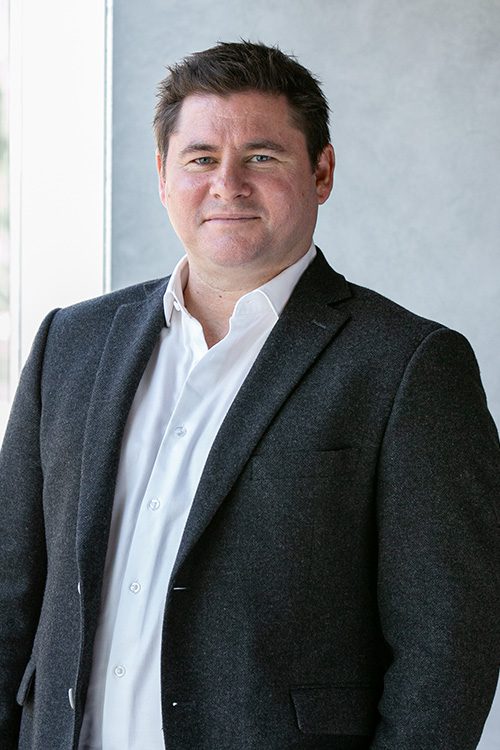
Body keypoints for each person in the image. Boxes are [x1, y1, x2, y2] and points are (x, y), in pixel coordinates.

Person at [0, 40, 499, 750]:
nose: (227, 184)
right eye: (201, 158)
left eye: (261, 157)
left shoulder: (408, 367)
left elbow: (448, 650)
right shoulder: (71, 343)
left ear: (321, 172)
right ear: (163, 175)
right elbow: (11, 592)